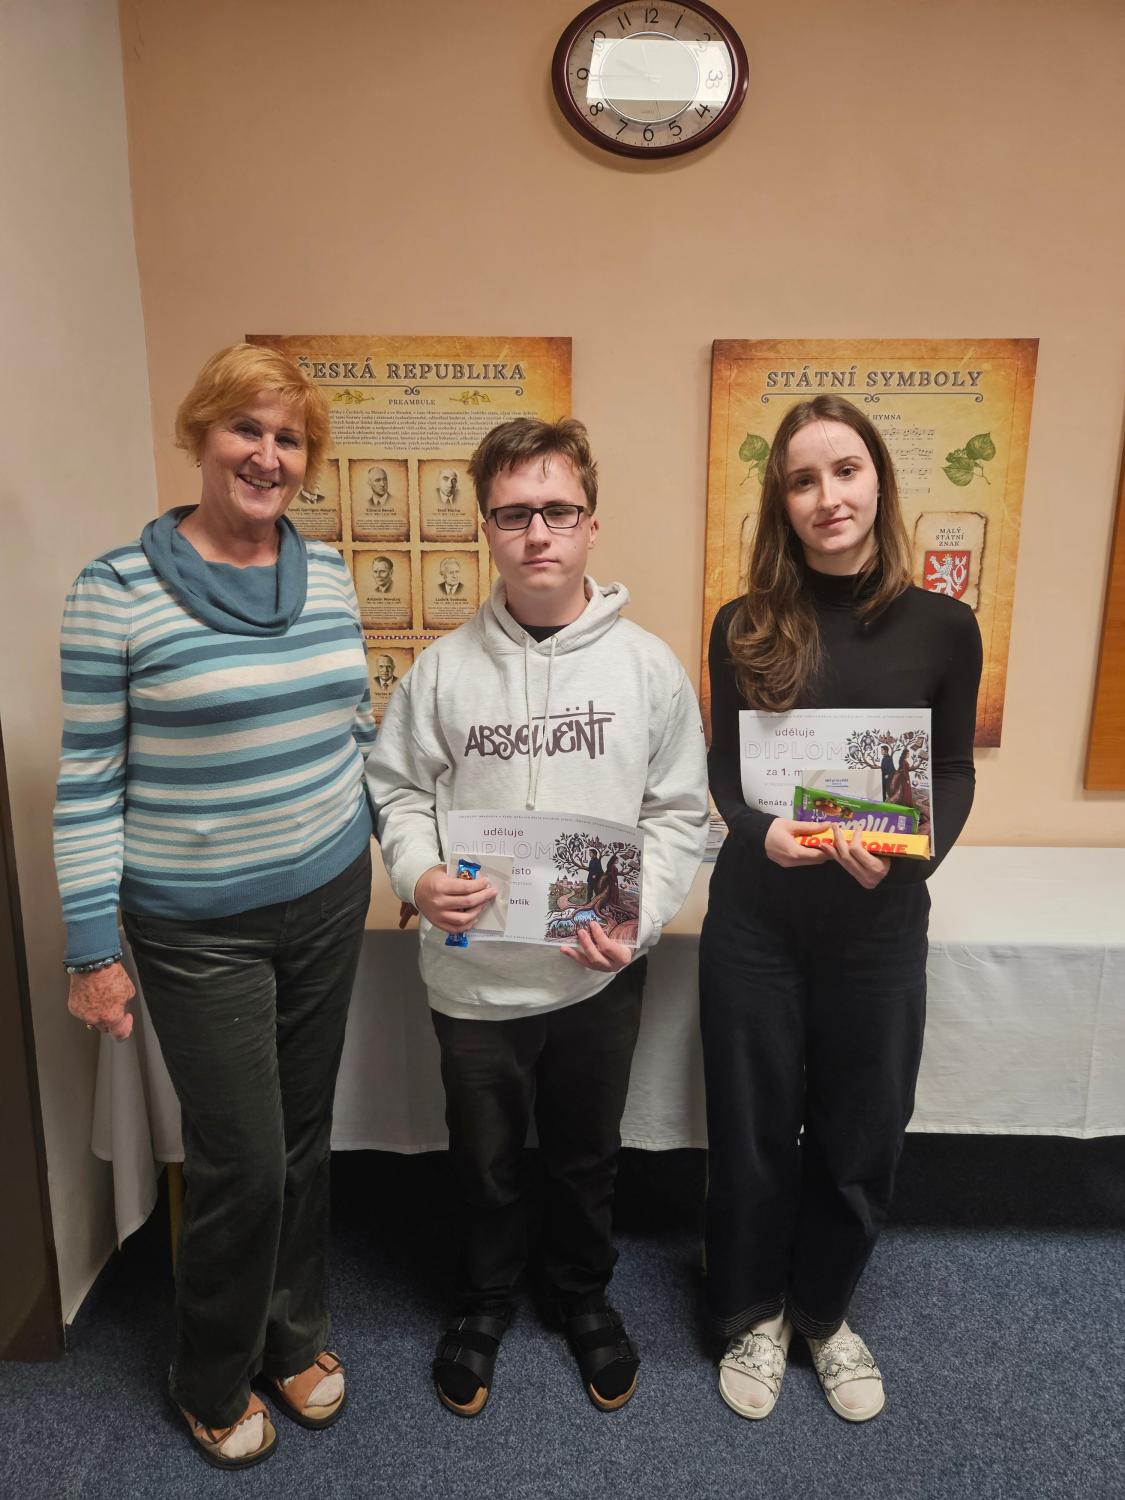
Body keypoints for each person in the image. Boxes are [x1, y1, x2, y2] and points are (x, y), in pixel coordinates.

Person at [53, 343, 377, 1469]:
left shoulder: (326, 575)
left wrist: (396, 843)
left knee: (304, 1135)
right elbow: (87, 782)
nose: (267, 455)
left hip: (329, 893)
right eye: (247, 428)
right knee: (241, 1155)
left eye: (289, 438)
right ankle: (209, 1374)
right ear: (200, 433)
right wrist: (90, 948)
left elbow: (354, 729)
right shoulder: (113, 590)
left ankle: (293, 1334)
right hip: (197, 927)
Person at [366, 417, 708, 1418]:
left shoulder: (647, 669)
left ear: (592, 524)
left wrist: (638, 922)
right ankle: (483, 1300)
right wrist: (419, 874)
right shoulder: (441, 671)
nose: (538, 533)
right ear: (487, 529)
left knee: (584, 1156)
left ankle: (582, 1295)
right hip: (473, 978)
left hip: (596, 967)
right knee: (482, 1160)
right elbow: (398, 791)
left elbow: (678, 813)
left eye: (558, 510)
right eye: (514, 514)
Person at [701, 394, 981, 1424]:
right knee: (751, 1127)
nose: (828, 496)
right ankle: (750, 1311)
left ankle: (823, 1311)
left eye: (846, 470)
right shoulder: (743, 624)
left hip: (877, 925)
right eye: (803, 479)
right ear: (782, 501)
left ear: (878, 482)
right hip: (756, 925)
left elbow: (950, 773)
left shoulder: (945, 626)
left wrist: (909, 861)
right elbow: (724, 771)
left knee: (863, 1128)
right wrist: (755, 830)